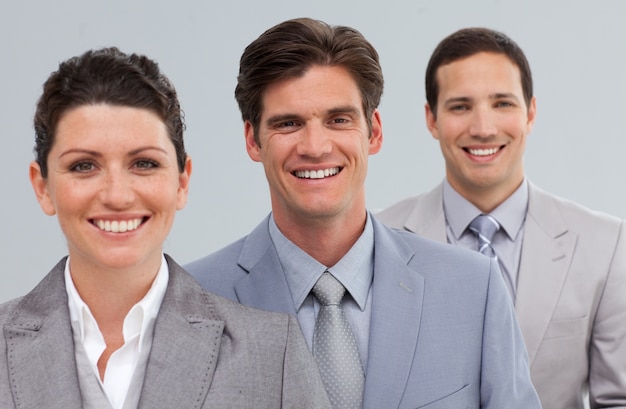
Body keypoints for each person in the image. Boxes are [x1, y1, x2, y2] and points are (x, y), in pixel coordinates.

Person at [186, 18, 541, 408]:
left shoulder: (474, 289)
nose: (316, 146)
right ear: (253, 140)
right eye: (289, 123)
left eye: (338, 120)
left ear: (373, 132)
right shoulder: (189, 299)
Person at [0, 47, 331, 409]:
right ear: (42, 187)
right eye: (83, 166)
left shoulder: (271, 353)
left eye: (143, 163)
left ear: (181, 181)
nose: (117, 195)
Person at [376, 27, 626, 408]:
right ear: (432, 119)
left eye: (502, 104)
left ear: (531, 112)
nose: (483, 128)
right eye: (460, 106)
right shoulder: (379, 238)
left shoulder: (606, 244)